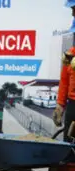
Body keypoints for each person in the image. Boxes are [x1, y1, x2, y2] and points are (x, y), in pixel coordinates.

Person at [53, 0, 75, 142]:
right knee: (69, 148)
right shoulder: (71, 54)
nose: (72, 13)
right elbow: (65, 80)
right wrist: (60, 105)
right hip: (73, 105)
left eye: (74, 8)